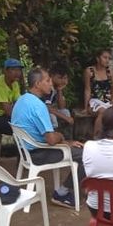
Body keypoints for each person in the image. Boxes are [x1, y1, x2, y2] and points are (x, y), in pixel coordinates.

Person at [11, 67, 85, 208]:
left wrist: (66, 142)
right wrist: (61, 136)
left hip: (26, 152)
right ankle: (62, 194)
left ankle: (74, 189)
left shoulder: (22, 99)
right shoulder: (38, 106)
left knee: (73, 146)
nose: (51, 83)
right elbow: (51, 139)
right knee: (86, 155)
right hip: (38, 154)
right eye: (47, 80)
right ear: (37, 84)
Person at [83, 47, 113, 136]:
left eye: (109, 58)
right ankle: (97, 136)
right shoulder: (89, 71)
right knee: (102, 111)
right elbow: (87, 89)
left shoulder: (110, 72)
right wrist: (86, 107)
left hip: (107, 101)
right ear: (97, 58)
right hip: (94, 101)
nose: (107, 60)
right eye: (105, 57)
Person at [46, 62, 74, 139]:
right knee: (53, 117)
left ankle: (67, 138)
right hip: (43, 111)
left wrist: (59, 90)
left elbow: (62, 106)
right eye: (60, 78)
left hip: (51, 109)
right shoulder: (48, 87)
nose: (63, 81)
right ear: (52, 76)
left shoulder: (57, 87)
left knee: (66, 112)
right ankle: (53, 137)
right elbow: (47, 108)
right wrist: (66, 118)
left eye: (65, 78)